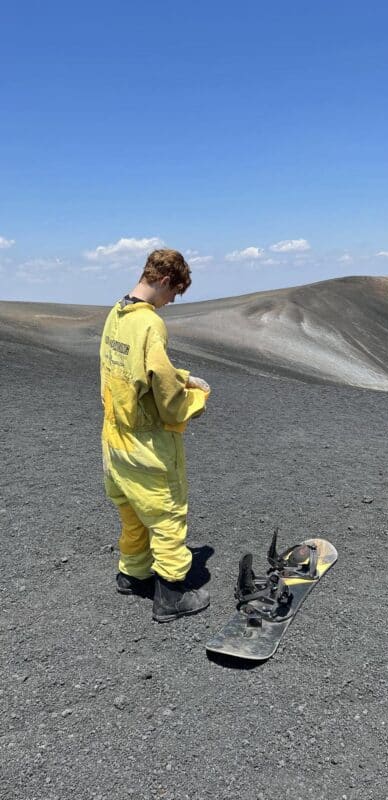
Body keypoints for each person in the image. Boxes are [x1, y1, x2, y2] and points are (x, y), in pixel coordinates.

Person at [100, 248, 211, 620]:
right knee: (167, 515)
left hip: (115, 443)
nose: (170, 302)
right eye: (173, 293)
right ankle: (171, 597)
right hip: (147, 445)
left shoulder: (116, 314)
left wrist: (180, 374)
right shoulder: (150, 324)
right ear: (165, 280)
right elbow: (167, 401)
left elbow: (137, 369)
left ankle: (132, 575)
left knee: (132, 514)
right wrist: (195, 398)